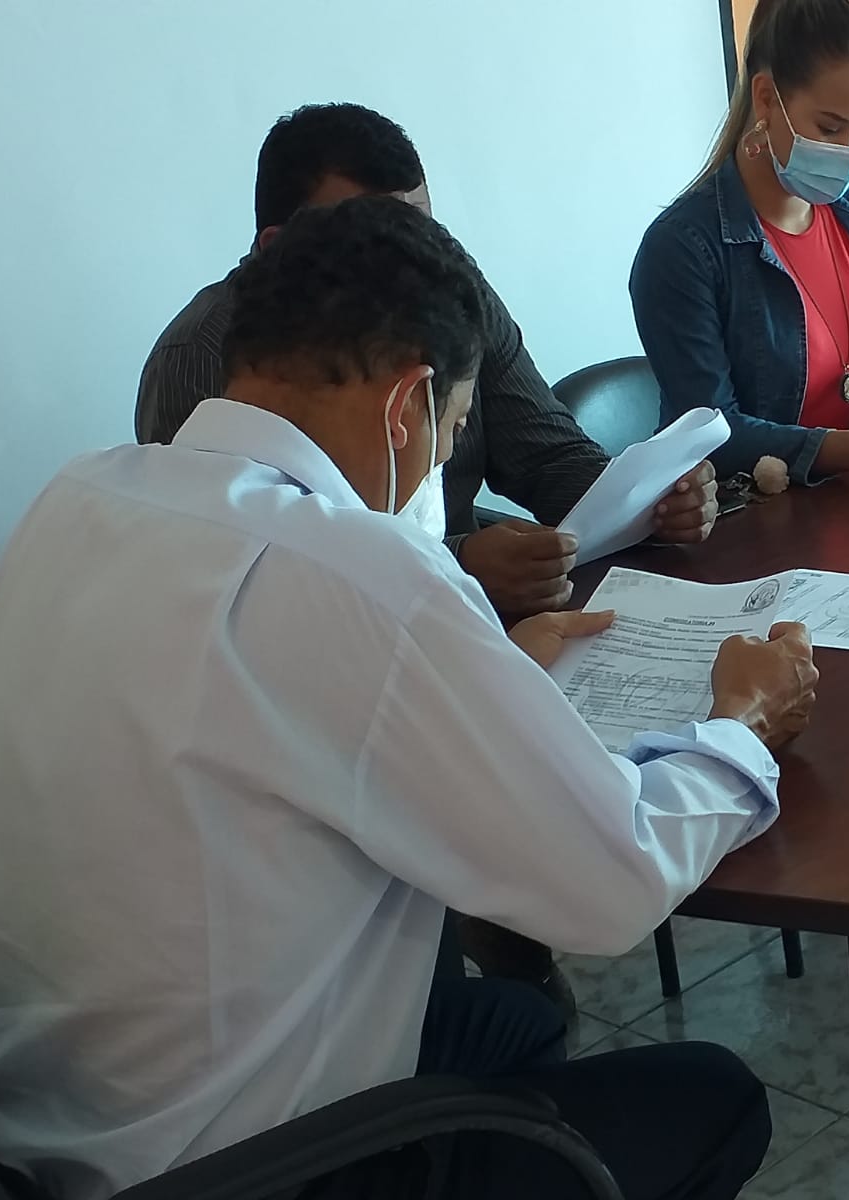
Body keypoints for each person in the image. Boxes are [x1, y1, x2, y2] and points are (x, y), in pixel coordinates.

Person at [0, 196, 818, 1200]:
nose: (441, 456)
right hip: (247, 1168)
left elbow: (258, 712)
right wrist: (742, 723)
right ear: (407, 405)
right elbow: (617, 881)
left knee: (514, 1022)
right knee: (713, 1098)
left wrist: (495, 672)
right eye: (454, 427)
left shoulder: (80, 497)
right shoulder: (355, 566)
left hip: (50, 1130)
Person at [137, 103, 709, 1006]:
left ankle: (505, 977)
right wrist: (459, 564)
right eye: (378, 234)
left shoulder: (447, 298)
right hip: (330, 706)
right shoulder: (204, 356)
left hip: (463, 623)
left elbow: (552, 457)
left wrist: (651, 497)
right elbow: (261, 572)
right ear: (283, 246)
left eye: (423, 230)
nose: (412, 260)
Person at [630, 0, 849, 486]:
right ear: (766, 99)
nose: (847, 152)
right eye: (830, 127)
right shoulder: (683, 249)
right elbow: (707, 436)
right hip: (748, 515)